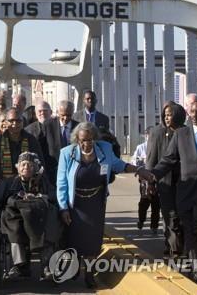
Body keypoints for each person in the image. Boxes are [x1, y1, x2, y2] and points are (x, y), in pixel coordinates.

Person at [56, 122, 152, 288]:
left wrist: (138, 170)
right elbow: (61, 183)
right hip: (76, 204)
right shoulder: (67, 153)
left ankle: (90, 274)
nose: (87, 143)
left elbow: (119, 165)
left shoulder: (104, 149)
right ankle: (76, 265)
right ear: (77, 140)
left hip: (95, 202)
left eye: (91, 139)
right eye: (83, 140)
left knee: (93, 240)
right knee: (75, 238)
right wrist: (63, 207)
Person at [148, 100, 197, 284]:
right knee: (191, 232)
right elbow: (168, 160)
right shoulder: (181, 134)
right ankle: (196, 269)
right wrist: (152, 175)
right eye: (191, 111)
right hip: (187, 194)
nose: (194, 114)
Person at [0, 152, 60, 281]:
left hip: (39, 216)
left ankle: (46, 266)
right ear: (17, 167)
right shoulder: (9, 182)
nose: (26, 167)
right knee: (14, 226)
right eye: (23, 164)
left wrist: (41, 196)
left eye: (30, 165)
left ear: (35, 167)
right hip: (16, 216)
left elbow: (54, 195)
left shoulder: (43, 182)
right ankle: (20, 266)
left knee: (49, 224)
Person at [146, 102, 186, 257]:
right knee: (170, 216)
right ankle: (173, 248)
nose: (167, 118)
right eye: (165, 115)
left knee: (181, 216)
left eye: (170, 114)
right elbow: (151, 158)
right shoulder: (157, 132)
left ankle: (176, 246)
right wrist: (149, 181)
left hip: (184, 181)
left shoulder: (185, 132)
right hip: (165, 181)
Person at [0, 108, 44, 186]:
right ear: (5, 122)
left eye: (18, 121)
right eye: (11, 121)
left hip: (27, 182)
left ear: (23, 122)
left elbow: (39, 162)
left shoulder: (31, 140)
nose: (15, 124)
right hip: (3, 183)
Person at [42, 100, 79, 184]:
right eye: (63, 115)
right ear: (57, 112)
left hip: (73, 169)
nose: (65, 118)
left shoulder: (78, 127)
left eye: (68, 115)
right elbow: (43, 147)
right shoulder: (48, 125)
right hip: (53, 170)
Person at [132, 127, 160, 233]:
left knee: (156, 204)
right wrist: (140, 162)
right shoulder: (141, 147)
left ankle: (154, 226)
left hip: (156, 178)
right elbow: (134, 160)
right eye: (149, 135)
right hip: (144, 180)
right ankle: (141, 220)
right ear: (146, 135)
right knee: (144, 201)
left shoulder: (159, 146)